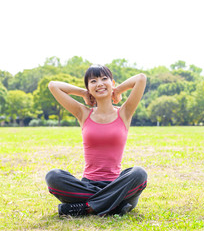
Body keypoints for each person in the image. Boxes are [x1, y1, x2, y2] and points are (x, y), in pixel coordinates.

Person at [45, 65, 148, 217]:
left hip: (116, 184)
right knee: (53, 176)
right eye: (93, 81)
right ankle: (113, 206)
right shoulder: (83, 113)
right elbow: (53, 86)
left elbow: (141, 78)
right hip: (89, 186)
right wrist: (83, 93)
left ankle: (87, 208)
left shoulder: (124, 113)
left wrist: (117, 90)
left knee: (139, 173)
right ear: (88, 87)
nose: (99, 83)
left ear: (112, 83)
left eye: (104, 79)